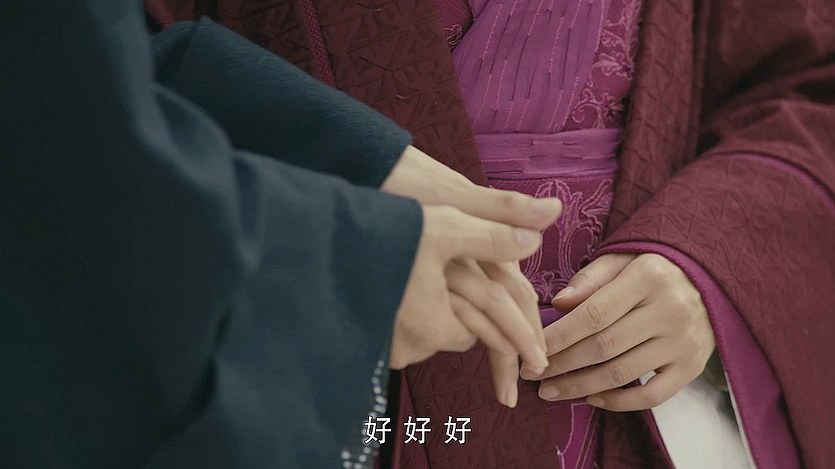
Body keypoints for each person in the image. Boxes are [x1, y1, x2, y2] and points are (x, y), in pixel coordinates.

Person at [144, 0, 835, 468]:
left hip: (635, 402)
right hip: (323, 374)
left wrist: (709, 256)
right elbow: (109, 77)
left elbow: (808, 81)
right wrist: (333, 198)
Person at [0, 2, 568, 468]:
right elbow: (56, 146)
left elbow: (89, 64)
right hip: (410, 292)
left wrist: (351, 149)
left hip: (560, 320)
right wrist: (343, 255)